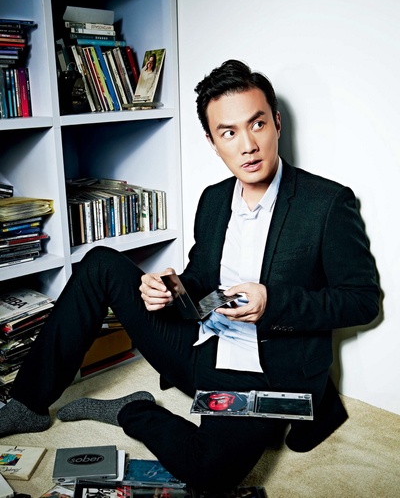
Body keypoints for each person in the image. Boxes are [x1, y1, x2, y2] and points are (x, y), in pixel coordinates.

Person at [0, 60, 380, 491]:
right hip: (198, 345)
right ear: (213, 143)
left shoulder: (327, 202)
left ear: (276, 123)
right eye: (228, 133)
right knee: (100, 262)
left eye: (257, 124)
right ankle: (29, 402)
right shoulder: (214, 199)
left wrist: (272, 302)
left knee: (210, 475)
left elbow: (362, 300)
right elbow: (201, 277)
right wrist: (169, 287)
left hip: (263, 370)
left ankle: (133, 409)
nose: (248, 146)